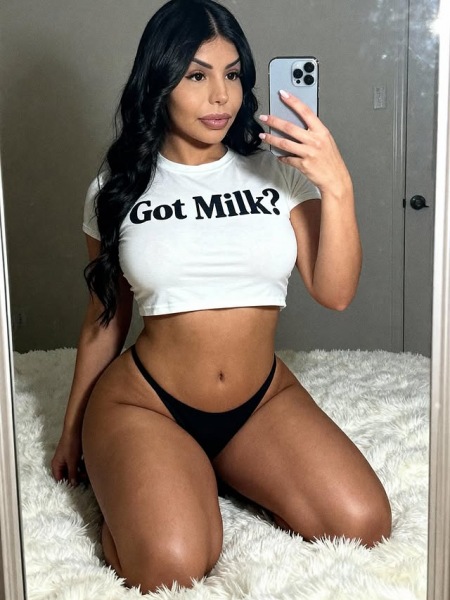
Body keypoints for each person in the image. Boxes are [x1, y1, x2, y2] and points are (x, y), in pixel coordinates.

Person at [51, 0, 392, 593]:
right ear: (159, 82)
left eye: (232, 74)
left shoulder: (277, 171)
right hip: (147, 405)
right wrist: (73, 426)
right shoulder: (116, 188)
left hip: (259, 402)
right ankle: (158, 479)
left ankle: (210, 468)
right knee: (173, 565)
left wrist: (337, 186)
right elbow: (106, 315)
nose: (220, 96)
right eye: (196, 75)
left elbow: (335, 293)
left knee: (364, 523)